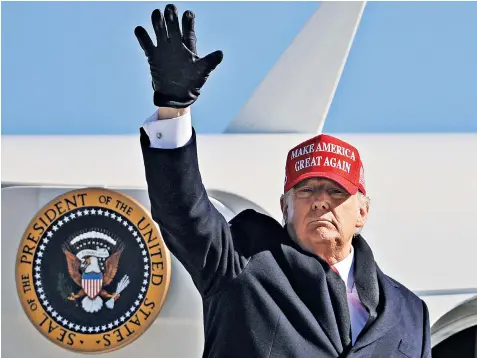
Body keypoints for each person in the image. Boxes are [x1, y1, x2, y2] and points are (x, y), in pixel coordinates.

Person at [135, 4, 432, 357]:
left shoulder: (411, 314)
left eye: (337, 191)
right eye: (306, 189)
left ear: (363, 213)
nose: (321, 200)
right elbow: (183, 213)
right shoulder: (243, 263)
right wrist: (173, 107)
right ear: (284, 207)